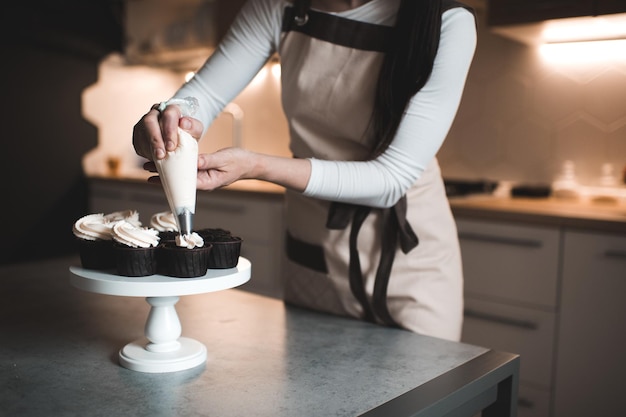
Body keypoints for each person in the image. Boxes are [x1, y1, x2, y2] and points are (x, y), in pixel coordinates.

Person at [133, 0, 477, 341]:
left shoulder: (449, 22)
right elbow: (204, 95)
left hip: (408, 262)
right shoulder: (279, 6)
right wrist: (167, 117)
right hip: (312, 244)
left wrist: (256, 165)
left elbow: (391, 178)